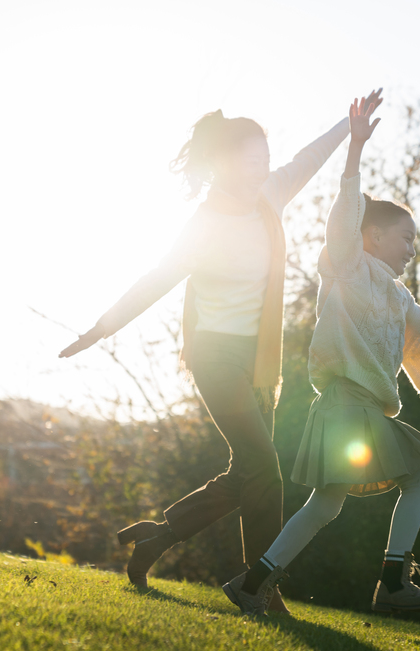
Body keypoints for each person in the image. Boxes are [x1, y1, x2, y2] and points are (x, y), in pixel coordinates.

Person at [59, 92, 383, 612]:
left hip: (260, 360)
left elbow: (307, 159)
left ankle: (159, 538)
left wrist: (349, 131)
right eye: (253, 159)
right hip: (215, 354)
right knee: (265, 467)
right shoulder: (205, 223)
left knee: (245, 474)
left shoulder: (270, 199)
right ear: (225, 163)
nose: (265, 167)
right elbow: (157, 278)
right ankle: (261, 587)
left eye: (266, 158)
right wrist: (102, 326)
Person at [222, 93, 420, 617]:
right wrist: (354, 150)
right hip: (346, 405)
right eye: (406, 238)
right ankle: (391, 581)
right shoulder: (348, 266)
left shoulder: (399, 298)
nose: (412, 249)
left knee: (326, 503)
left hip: (361, 411)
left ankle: (252, 583)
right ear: (372, 236)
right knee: (417, 480)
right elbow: (346, 212)